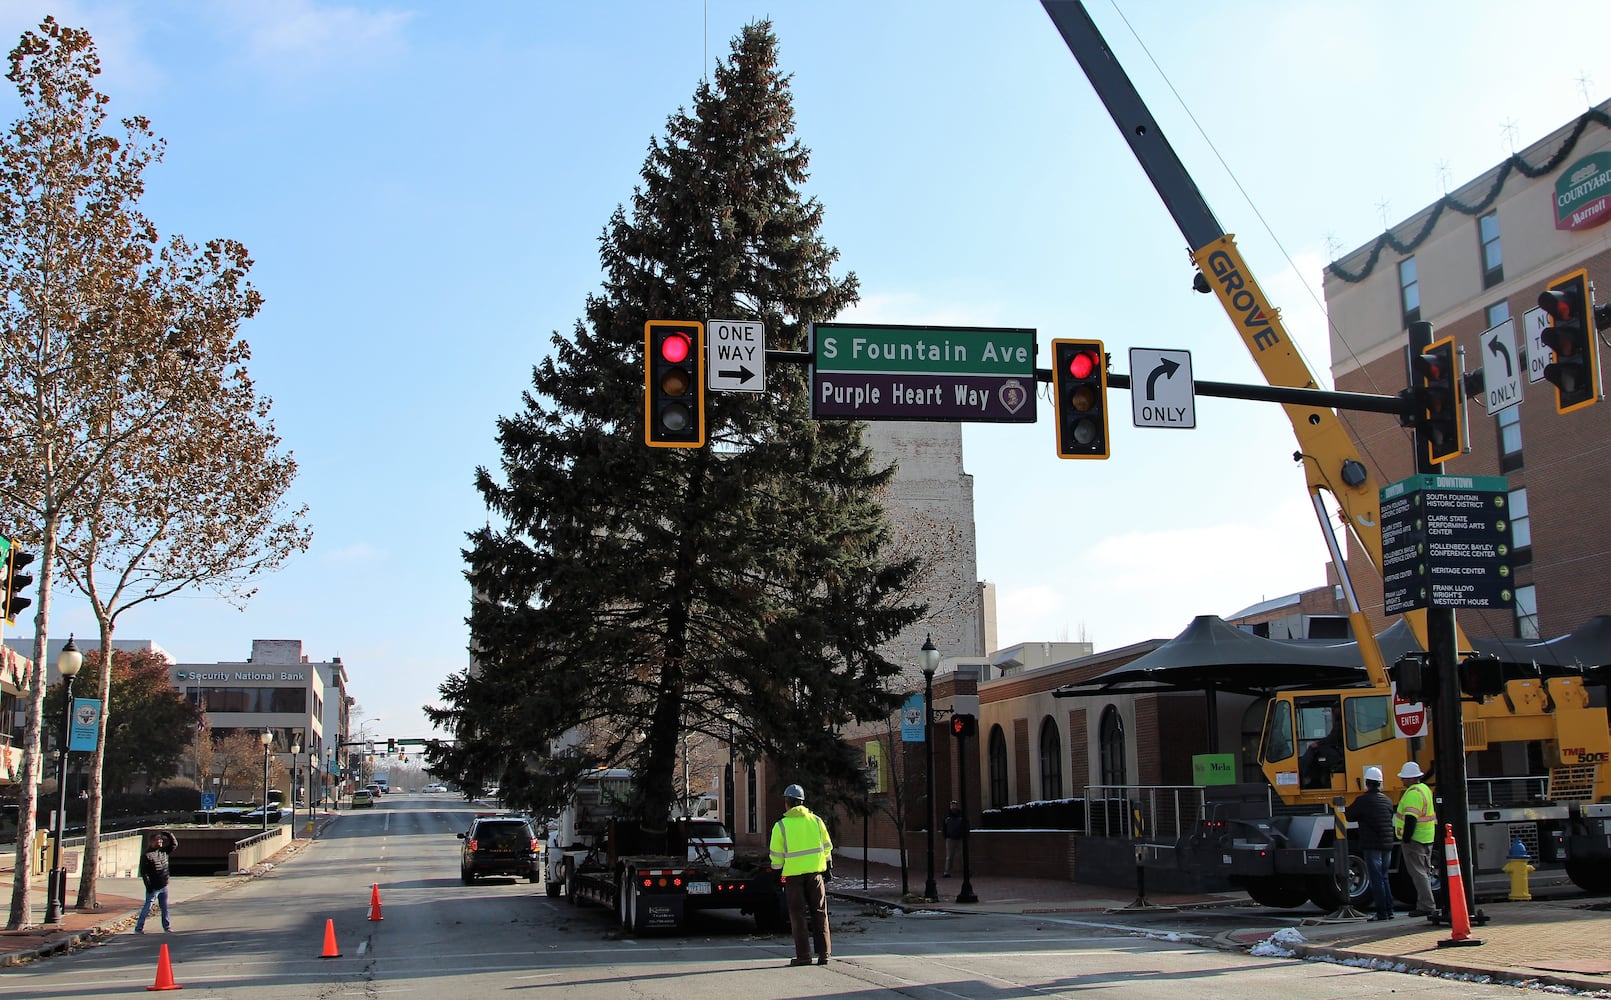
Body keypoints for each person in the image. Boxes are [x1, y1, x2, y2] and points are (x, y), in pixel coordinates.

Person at [769, 783, 833, 966]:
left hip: (793, 878)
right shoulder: (817, 821)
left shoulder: (781, 826)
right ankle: (824, 954)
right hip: (815, 875)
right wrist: (828, 866)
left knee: (798, 915)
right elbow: (827, 847)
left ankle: (804, 956)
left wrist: (777, 875)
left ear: (787, 802)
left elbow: (776, 856)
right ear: (803, 802)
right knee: (820, 913)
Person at [1345, 765, 1396, 920]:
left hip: (1371, 844)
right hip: (1387, 843)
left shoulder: (1363, 801)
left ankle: (1381, 913)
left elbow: (1349, 815)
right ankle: (1389, 910)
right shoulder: (1387, 800)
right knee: (1384, 876)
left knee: (1377, 878)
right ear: (1380, 783)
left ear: (1367, 783)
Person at [1394, 760, 1438, 917]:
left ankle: (1426, 905)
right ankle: (1426, 903)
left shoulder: (1413, 794)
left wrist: (1406, 838)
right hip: (1426, 837)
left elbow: (1411, 819)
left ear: (1412, 779)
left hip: (1415, 839)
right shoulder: (1424, 789)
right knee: (1424, 872)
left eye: (1405, 777)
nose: (1402, 780)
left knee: (1418, 873)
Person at [135, 830, 178, 934]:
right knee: (147, 907)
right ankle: (139, 928)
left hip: (163, 884)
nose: (160, 843)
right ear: (152, 842)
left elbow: (174, 844)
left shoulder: (163, 852)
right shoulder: (147, 855)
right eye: (158, 841)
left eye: (161, 841)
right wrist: (148, 886)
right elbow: (144, 873)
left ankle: (166, 927)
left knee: (165, 907)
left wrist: (168, 834)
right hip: (154, 886)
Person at [942, 800, 966, 877]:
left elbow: (966, 826)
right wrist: (946, 836)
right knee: (949, 856)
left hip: (960, 838)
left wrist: (965, 835)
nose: (953, 807)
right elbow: (944, 827)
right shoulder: (947, 817)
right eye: (952, 806)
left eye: (954, 806)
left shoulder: (961, 816)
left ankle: (965, 870)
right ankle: (947, 871)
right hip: (950, 838)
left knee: (963, 855)